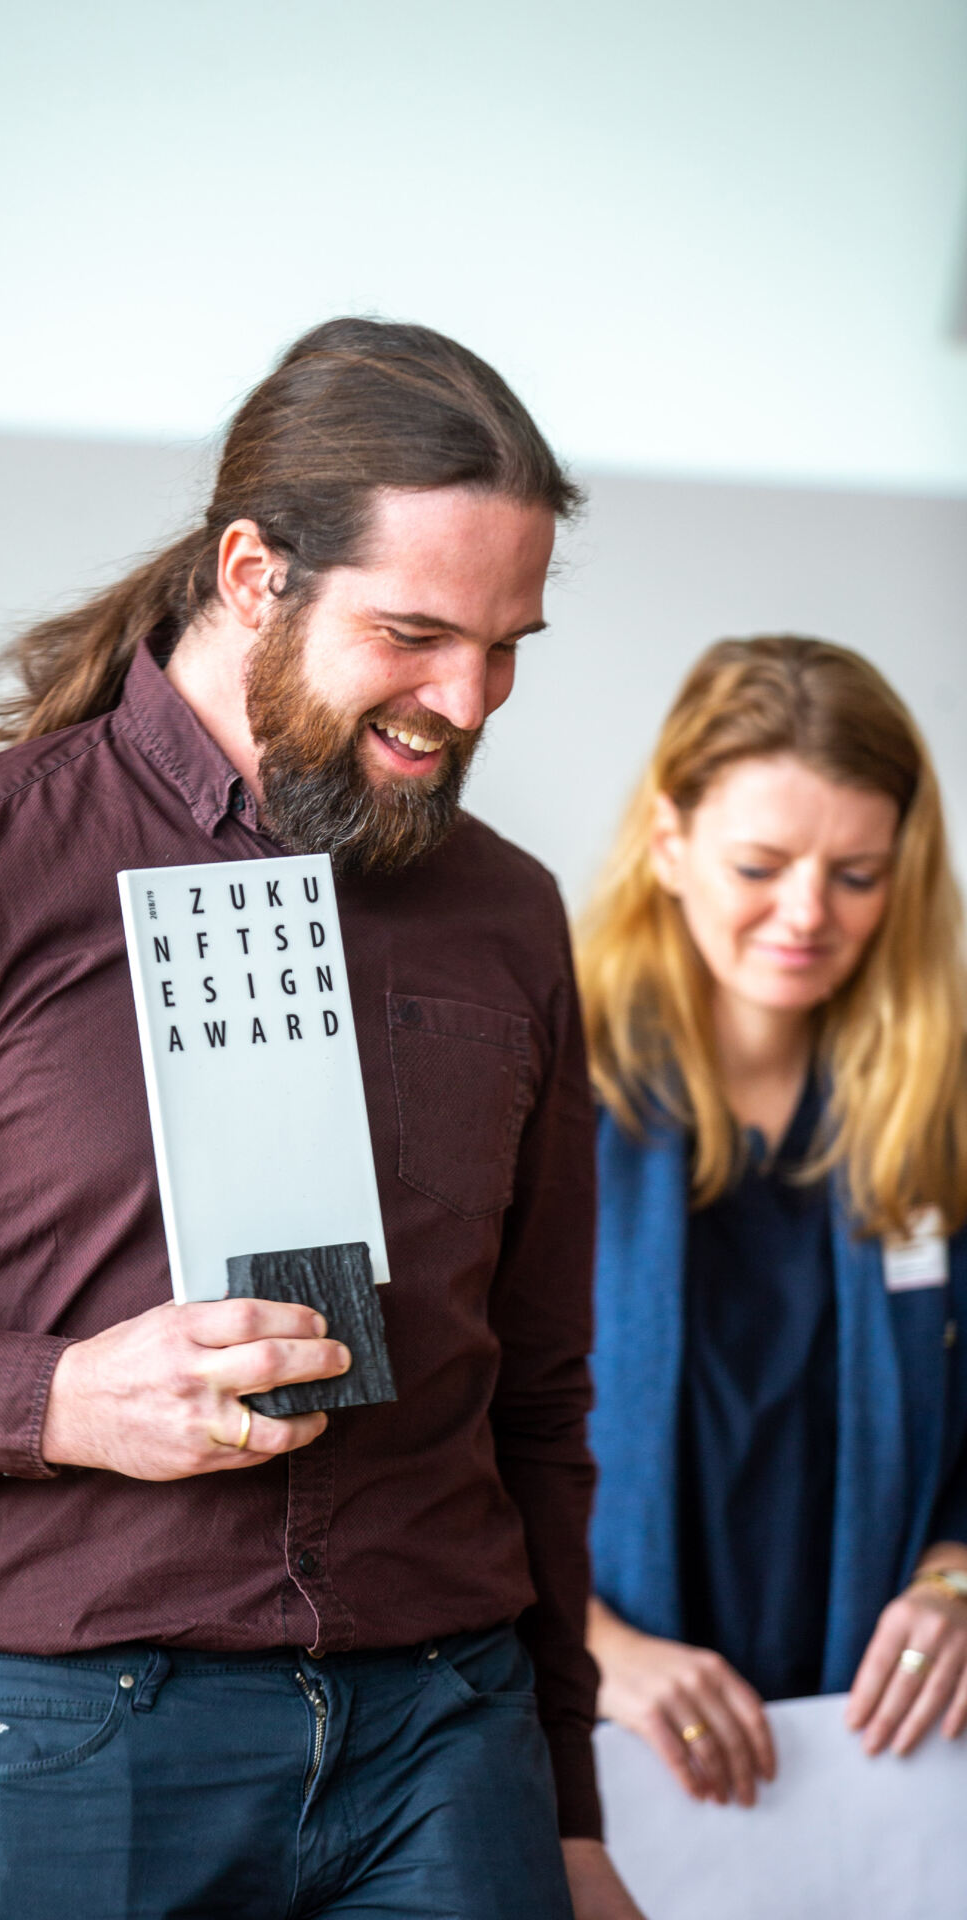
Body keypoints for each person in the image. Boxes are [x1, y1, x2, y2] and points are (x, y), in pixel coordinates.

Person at [0, 319, 643, 1919]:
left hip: (454, 1734)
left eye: (508, 645)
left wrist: (570, 1799)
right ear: (255, 571)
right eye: (415, 634)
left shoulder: (511, 917)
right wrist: (55, 1399)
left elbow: (538, 1393)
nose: (467, 702)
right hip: (76, 1733)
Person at [578, 634, 967, 1813]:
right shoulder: (537, 1096)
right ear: (668, 843)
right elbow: (436, 1447)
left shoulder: (939, 1113)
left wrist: (955, 1585)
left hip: (882, 1774)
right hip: (599, 1751)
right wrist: (595, 1648)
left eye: (856, 874)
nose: (806, 915)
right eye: (760, 865)